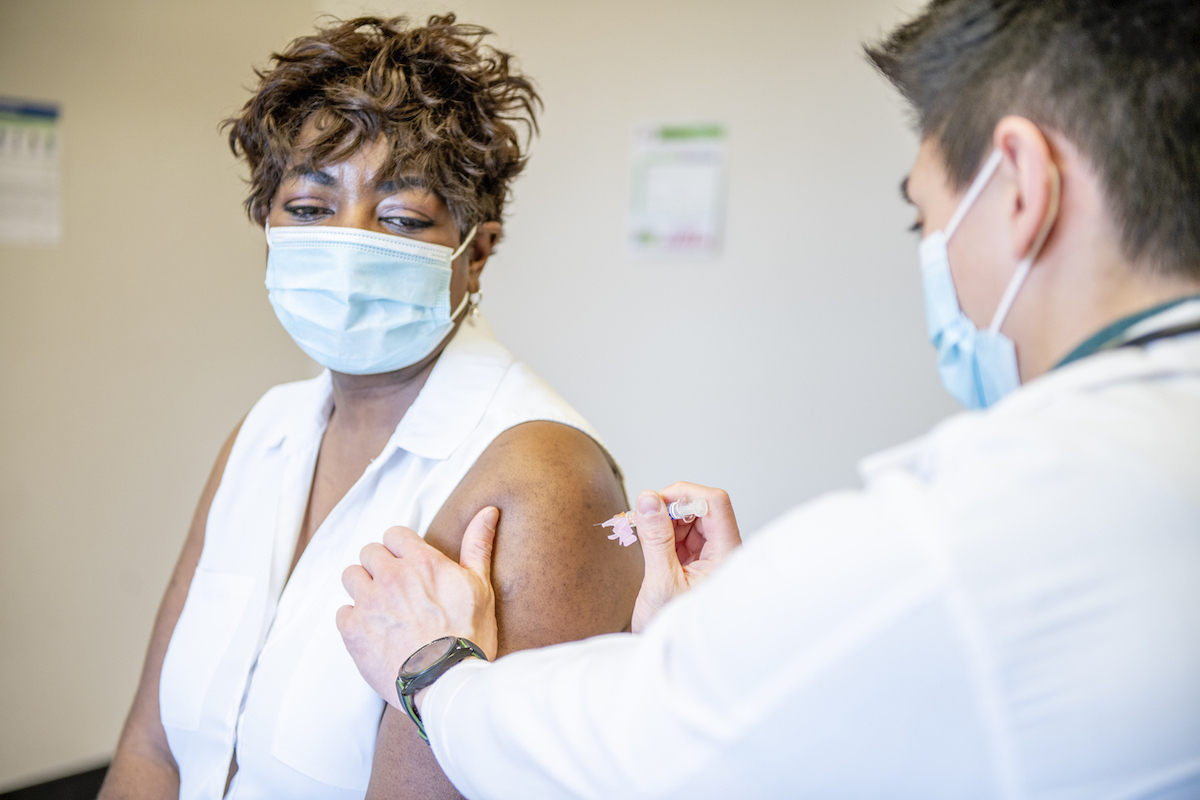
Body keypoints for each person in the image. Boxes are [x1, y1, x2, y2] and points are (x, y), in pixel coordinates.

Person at [335, 1, 1200, 798]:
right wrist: (713, 637)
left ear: (1021, 184)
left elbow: (642, 752)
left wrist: (436, 672)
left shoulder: (970, 537)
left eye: (922, 220)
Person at [99, 15, 642, 800]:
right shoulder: (266, 433)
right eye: (311, 210)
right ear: (268, 229)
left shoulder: (541, 478)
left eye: (400, 220)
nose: (349, 247)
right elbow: (152, 751)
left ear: (476, 250)